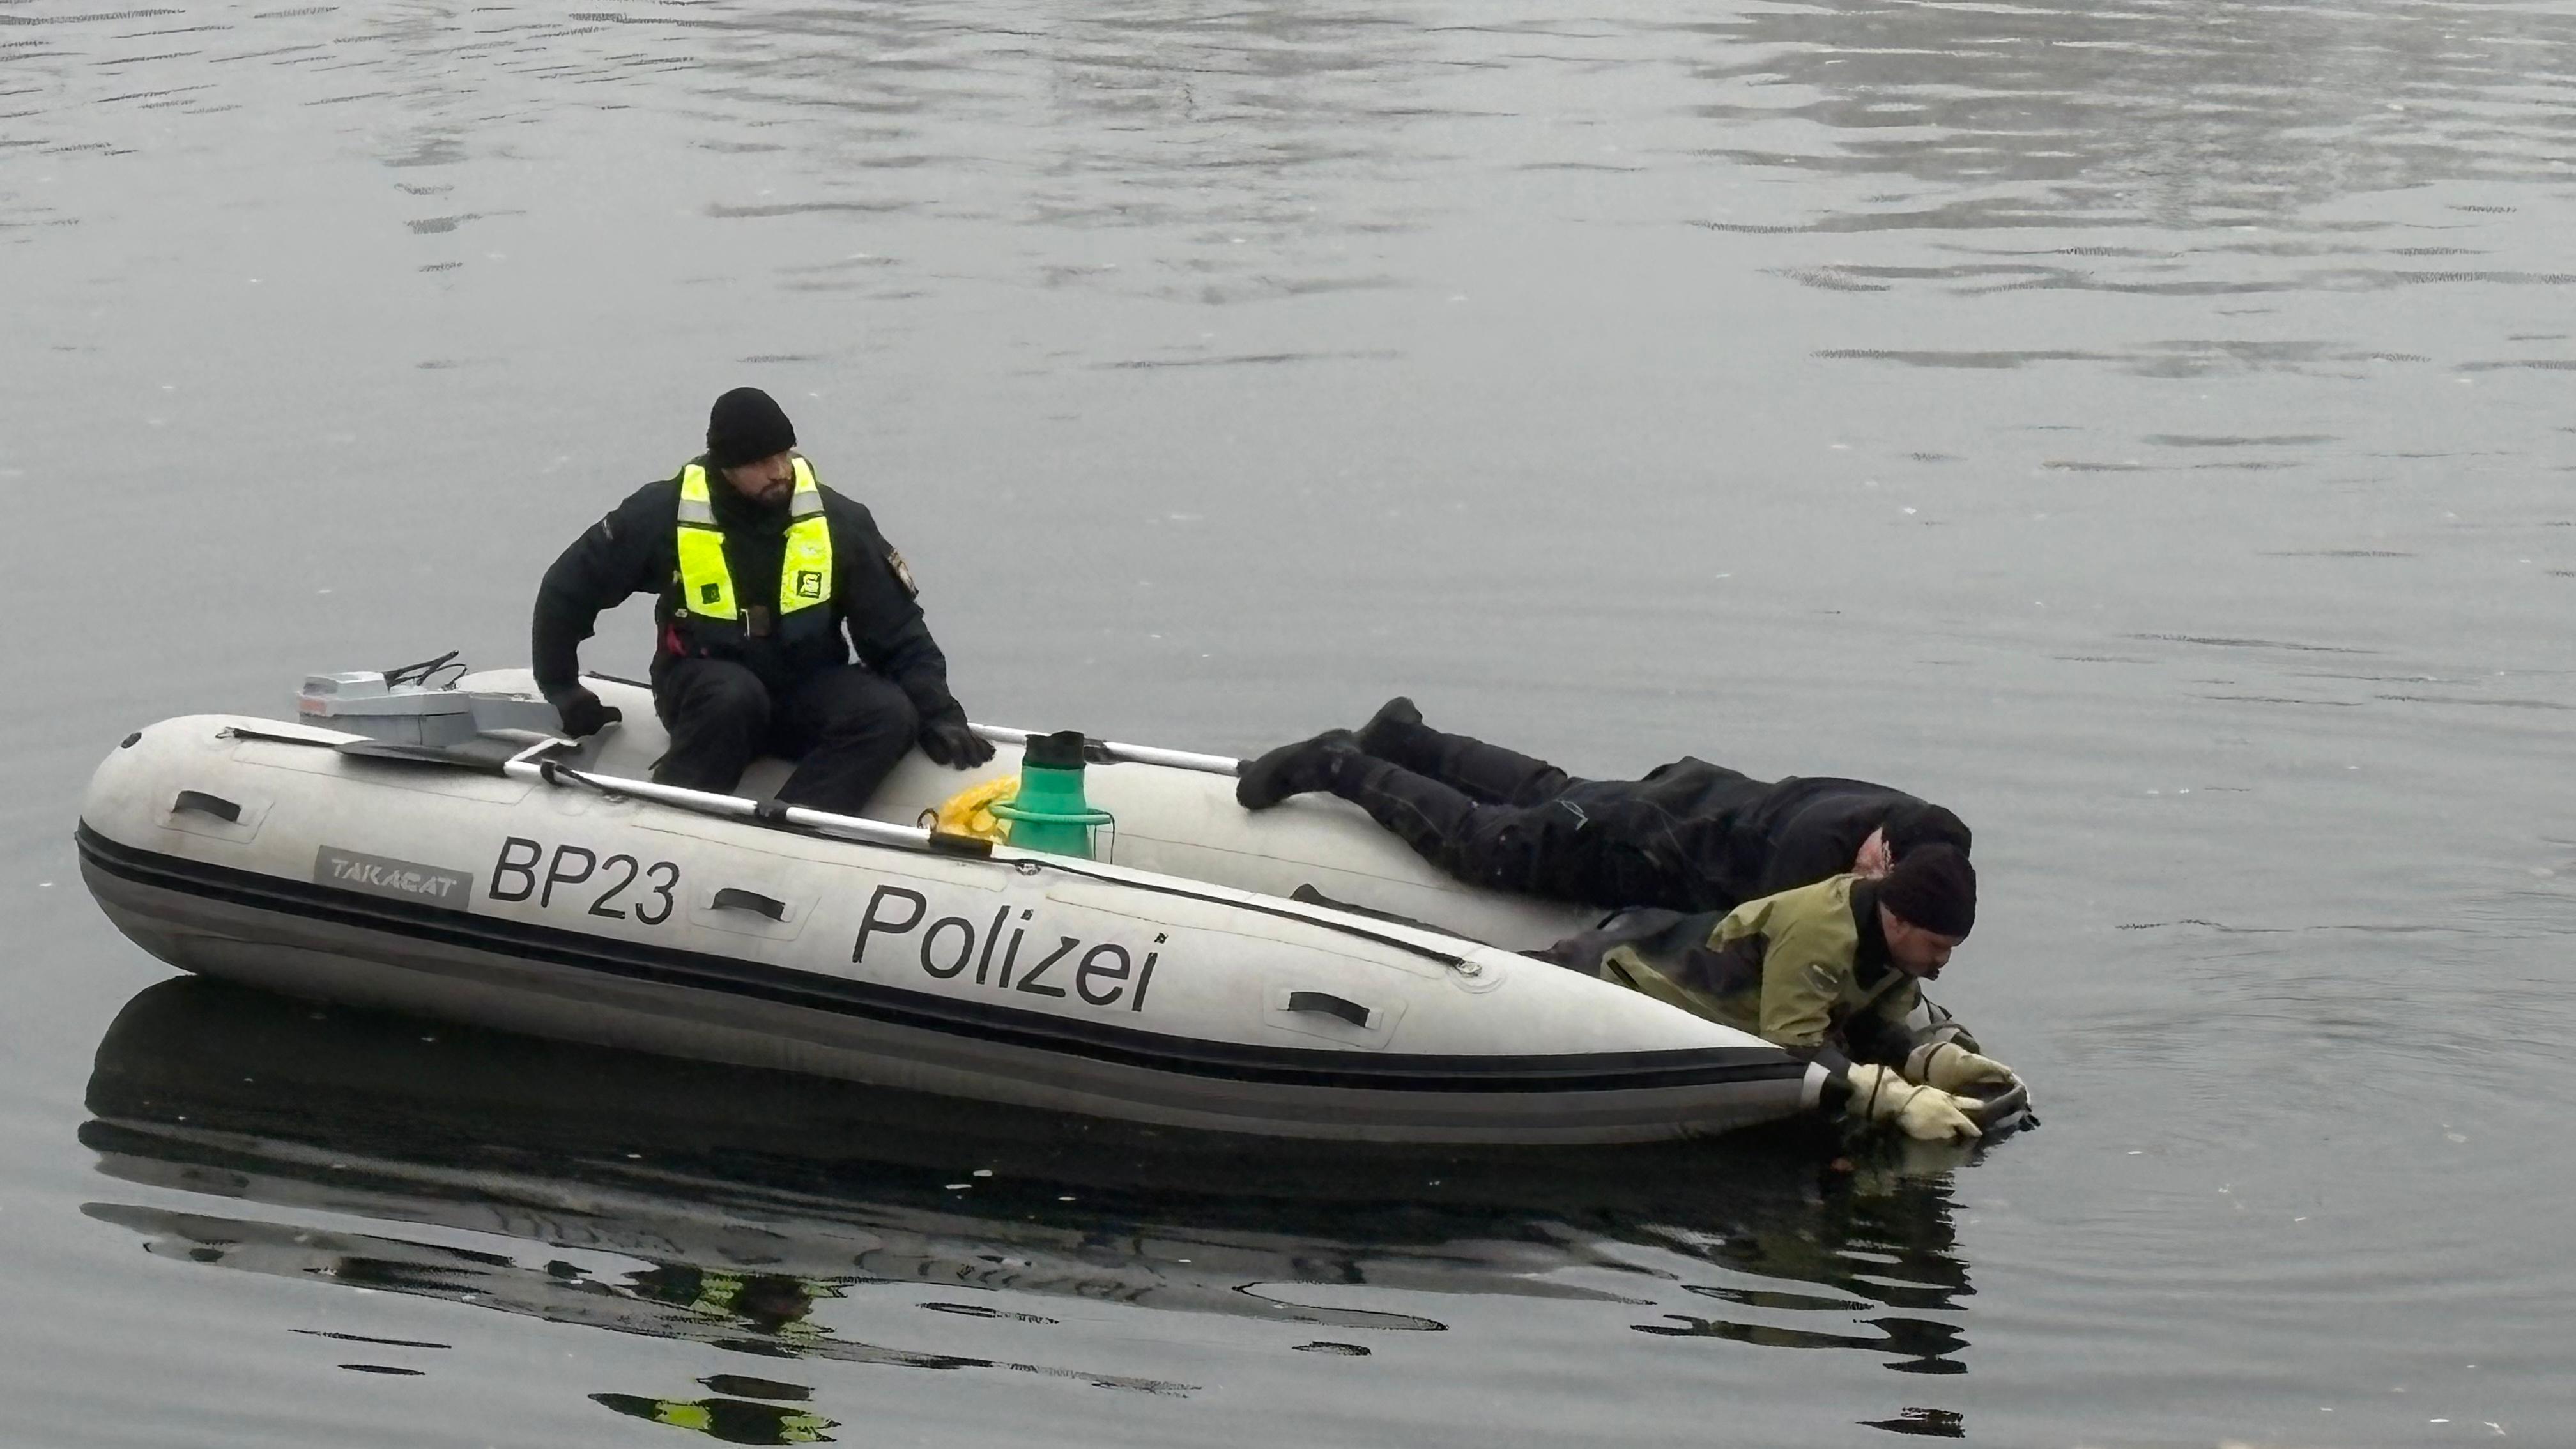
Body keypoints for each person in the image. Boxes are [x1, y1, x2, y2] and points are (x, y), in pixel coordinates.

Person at [531, 386, 993, 813]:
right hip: (704, 687)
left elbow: (898, 632)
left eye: (782, 455)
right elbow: (568, 589)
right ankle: (674, 814)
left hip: (805, 687)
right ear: (724, 466)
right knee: (735, 698)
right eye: (758, 463)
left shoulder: (839, 522)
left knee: (888, 713)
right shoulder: (660, 514)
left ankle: (795, 824)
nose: (777, 472)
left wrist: (941, 714)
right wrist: (562, 686)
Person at [1236, 697, 1970, 916]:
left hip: (1685, 797)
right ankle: (1337, 764)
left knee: (1549, 794)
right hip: (1643, 844)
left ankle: (1408, 739)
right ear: (1883, 851)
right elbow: (1762, 943)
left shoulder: (1905, 817)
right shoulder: (1816, 866)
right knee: (1485, 845)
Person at [1536, 844, 2014, 1142]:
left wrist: (1928, 1061)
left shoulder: (1900, 949)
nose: (1943, 960)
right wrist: (1891, 1099)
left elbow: (1873, 1028)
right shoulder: (1821, 931)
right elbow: (1793, 1050)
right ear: (1900, 919)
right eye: (1937, 946)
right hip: (1616, 973)